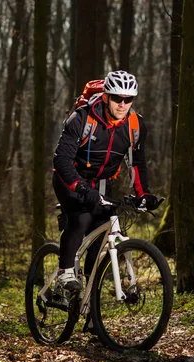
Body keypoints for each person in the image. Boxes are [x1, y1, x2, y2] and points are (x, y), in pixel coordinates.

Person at [52, 70, 158, 292]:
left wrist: (144, 194)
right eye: (117, 98)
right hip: (70, 177)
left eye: (128, 99)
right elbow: (61, 160)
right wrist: (79, 186)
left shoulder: (135, 125)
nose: (122, 104)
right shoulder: (81, 118)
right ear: (106, 97)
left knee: (101, 234)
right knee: (80, 218)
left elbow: (137, 164)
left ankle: (91, 299)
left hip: (101, 182)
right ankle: (65, 272)